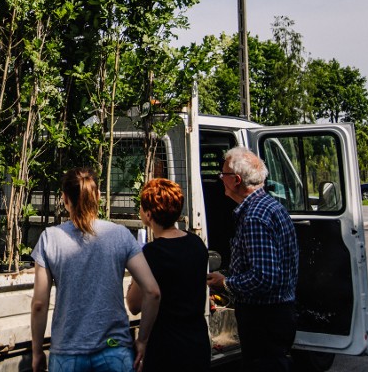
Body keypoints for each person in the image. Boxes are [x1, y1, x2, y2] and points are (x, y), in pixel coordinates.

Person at [31, 167, 161, 372]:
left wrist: (37, 351)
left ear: (64, 199)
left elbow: (39, 303)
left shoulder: (50, 238)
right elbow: (153, 292)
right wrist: (142, 340)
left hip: (67, 353)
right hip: (115, 349)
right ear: (98, 196)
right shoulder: (120, 235)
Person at [206, 146, 299, 372]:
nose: (220, 178)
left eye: (223, 174)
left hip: (264, 319)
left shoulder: (255, 217)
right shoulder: (270, 207)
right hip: (277, 314)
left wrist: (225, 283)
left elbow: (264, 278)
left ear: (236, 180)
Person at [126, 178, 210, 372]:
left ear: (148, 214)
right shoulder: (196, 244)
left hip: (166, 345)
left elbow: (134, 304)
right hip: (197, 341)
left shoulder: (152, 253)